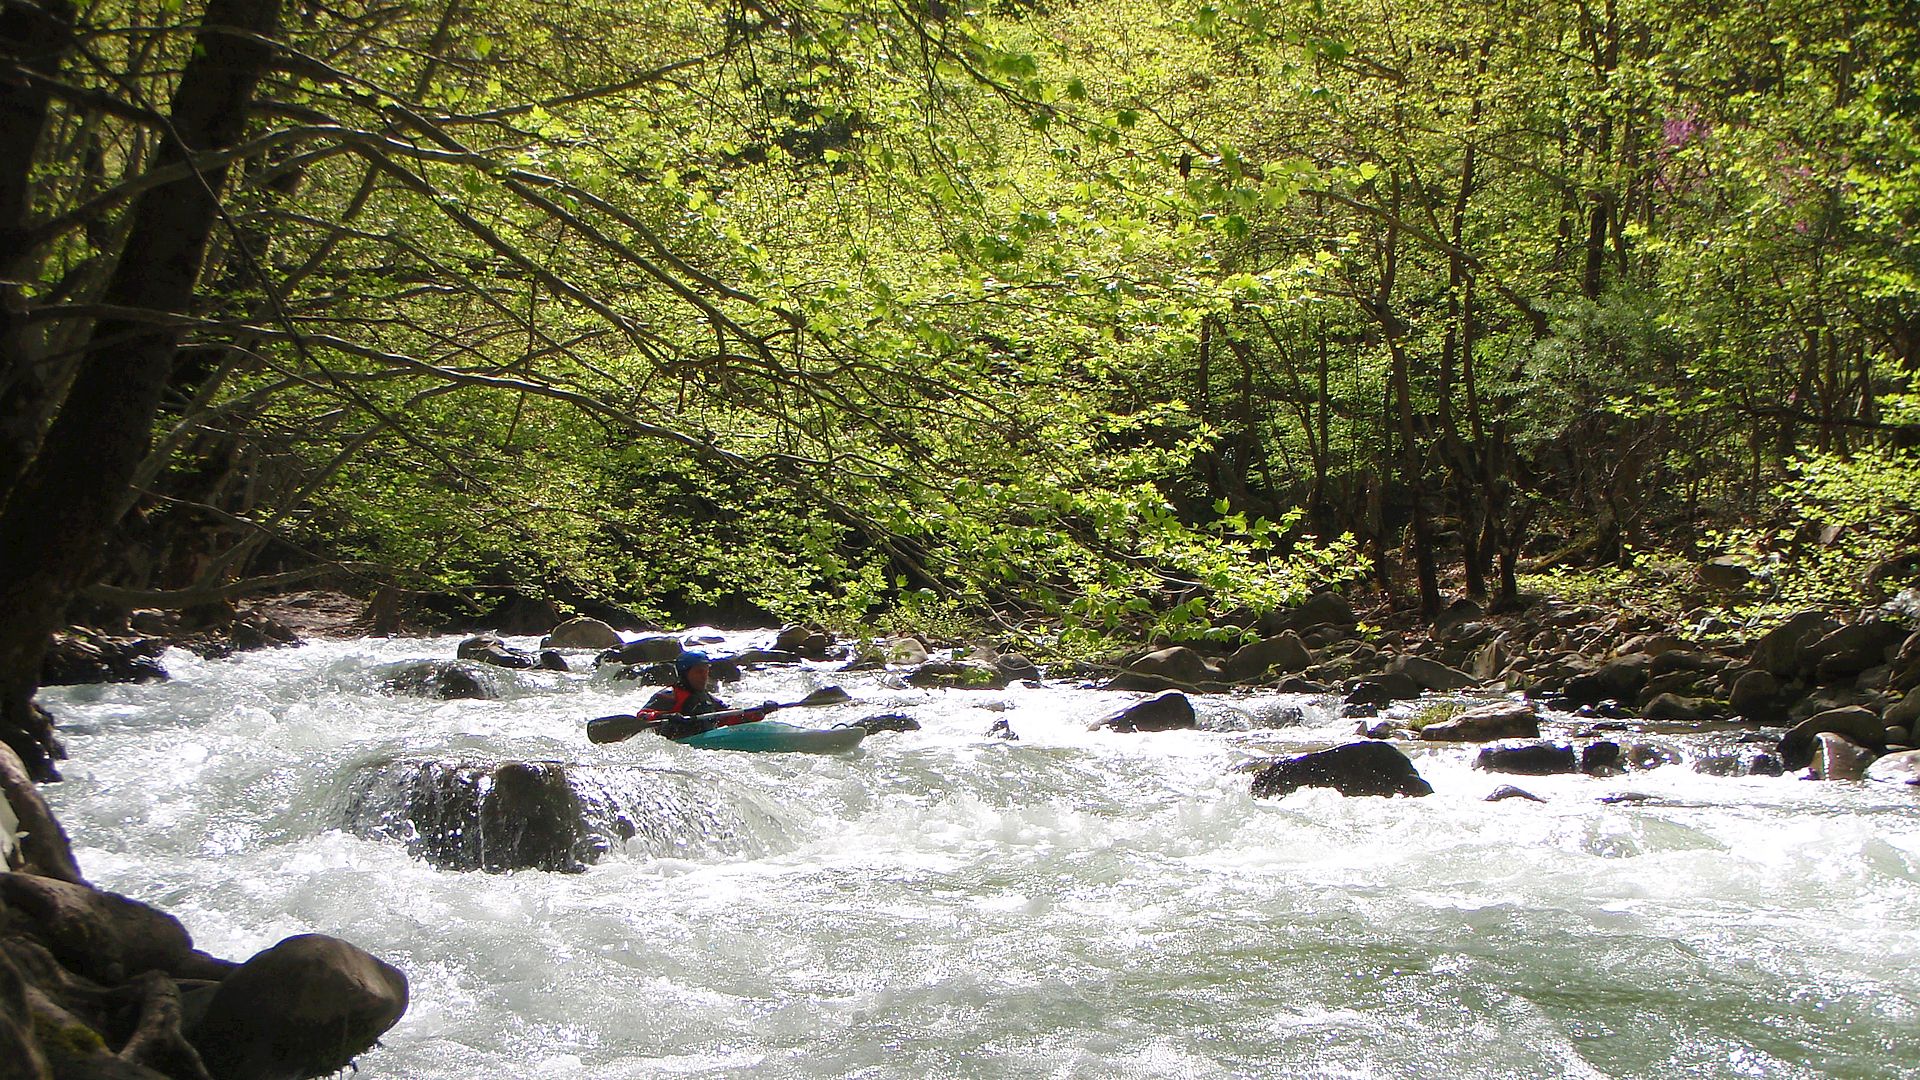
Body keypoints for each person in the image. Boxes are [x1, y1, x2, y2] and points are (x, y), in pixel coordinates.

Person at [642, 651, 768, 739]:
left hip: (703, 742)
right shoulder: (669, 695)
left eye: (706, 671)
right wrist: (666, 716)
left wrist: (759, 712)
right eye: (699, 672)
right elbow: (642, 716)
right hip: (678, 744)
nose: (704, 677)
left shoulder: (708, 699)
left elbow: (731, 716)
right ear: (684, 674)